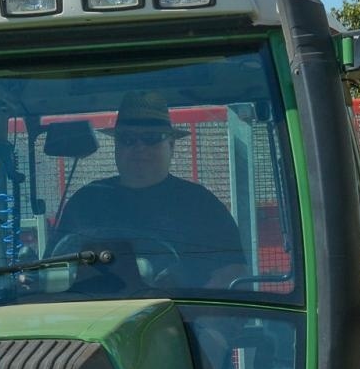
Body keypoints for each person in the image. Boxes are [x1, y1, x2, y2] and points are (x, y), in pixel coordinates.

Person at [53, 90, 244, 289]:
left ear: (171, 145)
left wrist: (193, 316)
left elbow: (233, 277)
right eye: (128, 139)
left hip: (179, 317)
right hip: (96, 316)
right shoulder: (86, 202)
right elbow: (54, 272)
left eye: (151, 138)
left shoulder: (202, 205)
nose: (139, 147)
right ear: (116, 146)